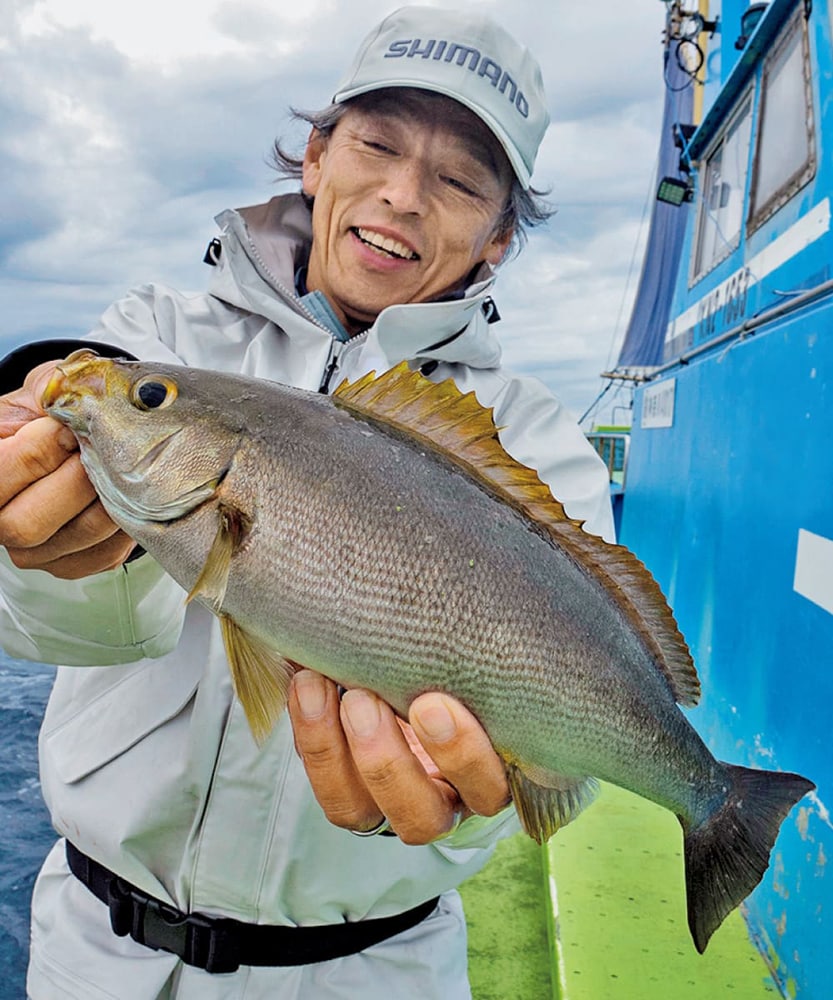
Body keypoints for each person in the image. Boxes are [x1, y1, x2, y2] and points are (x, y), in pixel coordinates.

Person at [0, 7, 614, 998]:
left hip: (373, 972)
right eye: (375, 143)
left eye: (458, 180)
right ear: (316, 156)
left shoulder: (534, 443)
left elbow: (537, 724)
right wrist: (71, 541)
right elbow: (47, 618)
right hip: (95, 952)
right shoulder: (156, 334)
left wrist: (469, 796)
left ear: (497, 238)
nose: (402, 195)